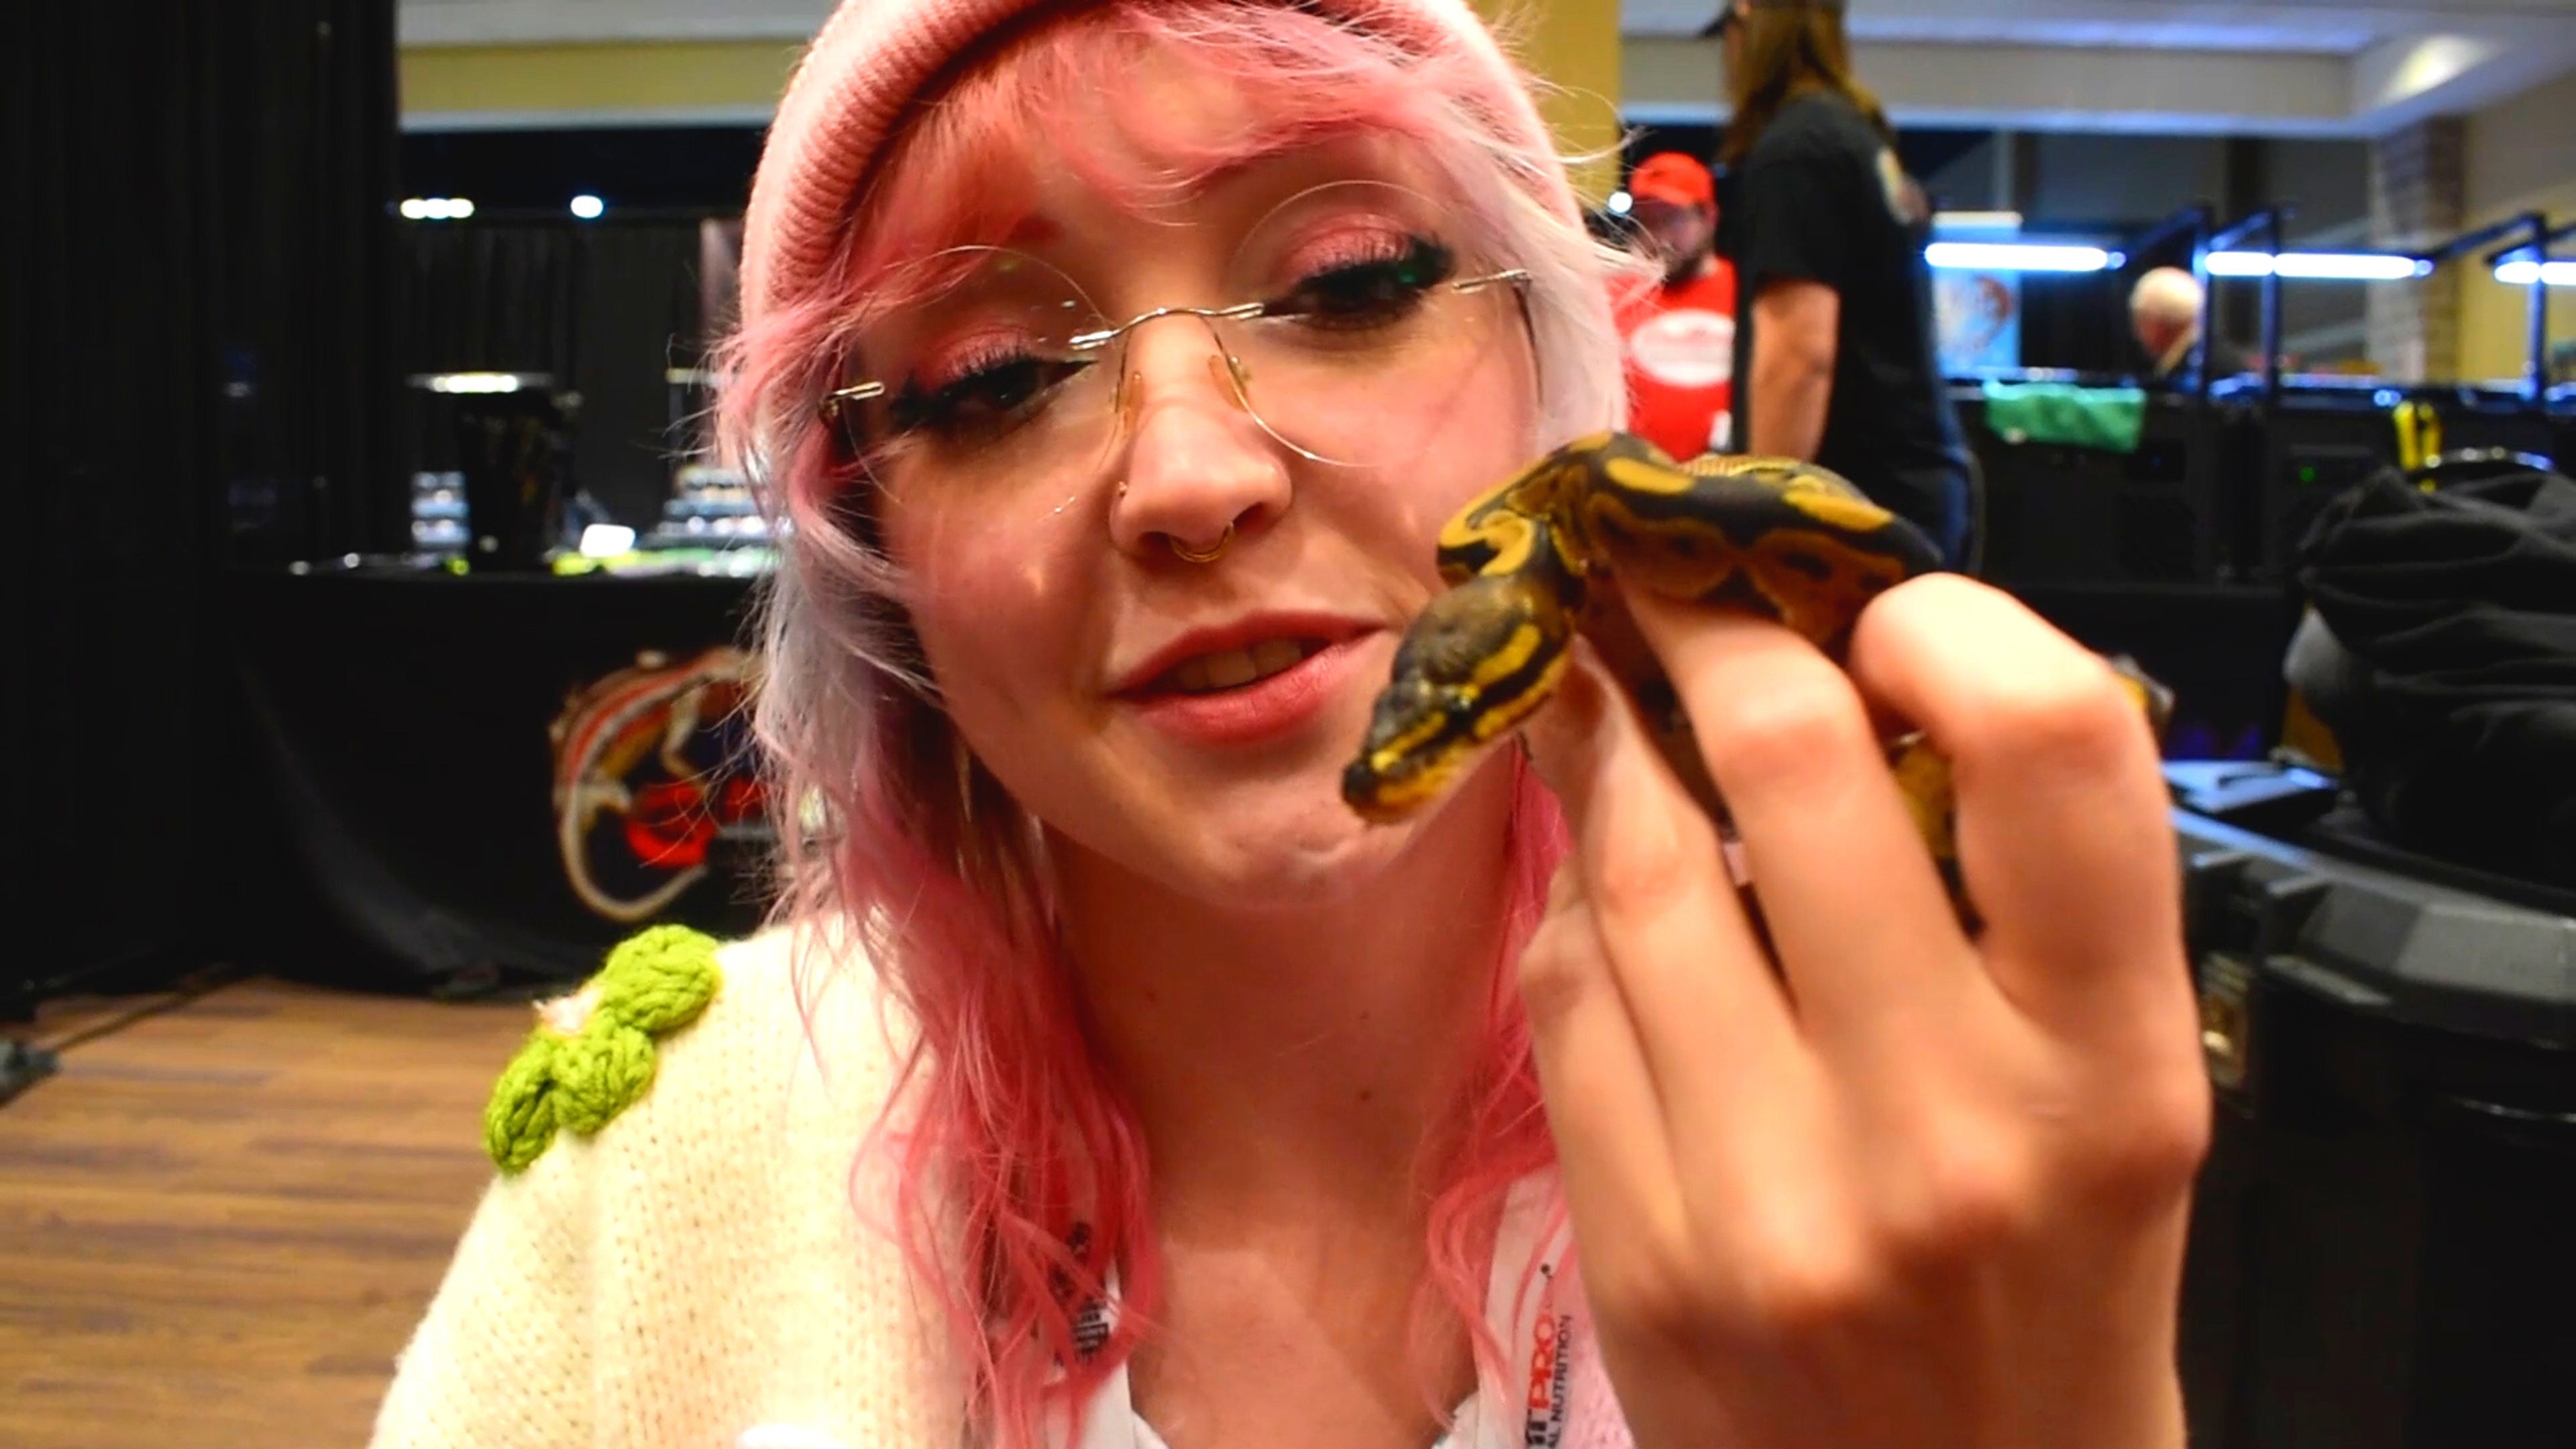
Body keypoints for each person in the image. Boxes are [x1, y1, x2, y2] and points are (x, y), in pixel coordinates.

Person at [371, 4, 2208, 1448]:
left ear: (1546, 378)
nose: (1190, 468)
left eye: (1346, 283)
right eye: (997, 379)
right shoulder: (652, 1175)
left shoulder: (1938, 1123)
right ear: (882, 555)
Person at [1715, 0, 1976, 568]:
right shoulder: (1855, 138)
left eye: (1730, 37)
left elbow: (1798, 355)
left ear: (1751, 26)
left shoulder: (1796, 151)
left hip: (1857, 502)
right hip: (1909, 490)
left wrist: (1756, 530)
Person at [1615, 152, 1740, 460]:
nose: (1657, 236)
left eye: (1670, 218)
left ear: (1708, 218)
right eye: (1647, 221)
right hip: (1634, 485)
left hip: (1729, 486)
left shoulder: (1745, 295)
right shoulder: (1614, 298)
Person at [2130, 266, 2249, 386]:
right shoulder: (2205, 354)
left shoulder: (2204, 367)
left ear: (2159, 321)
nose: (2137, 333)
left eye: (2141, 319)